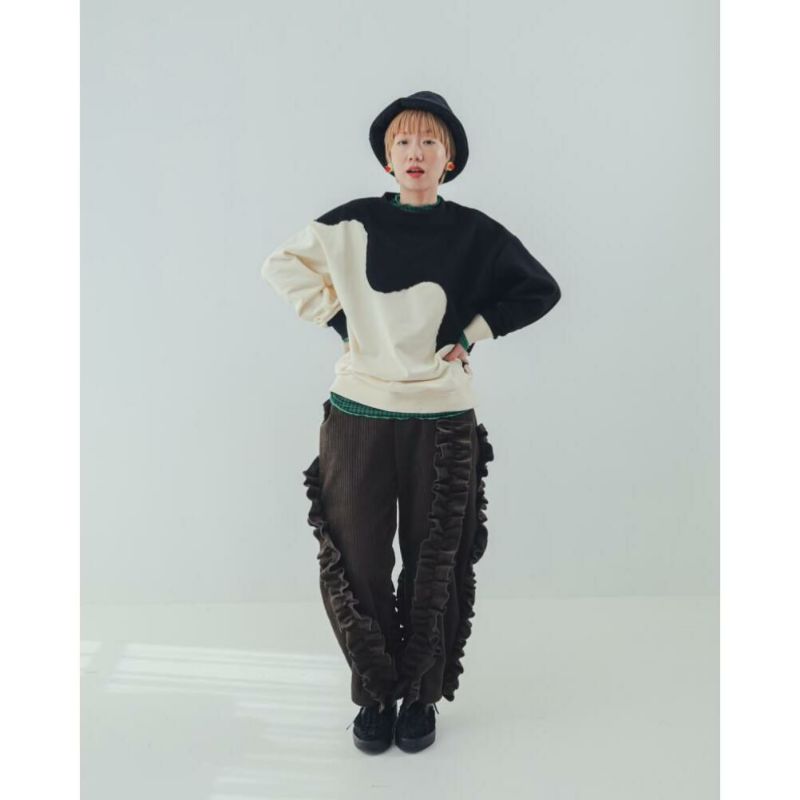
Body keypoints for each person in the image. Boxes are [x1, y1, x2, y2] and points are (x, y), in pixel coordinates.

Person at [261, 90, 561, 754]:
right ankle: (374, 694)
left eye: (429, 141)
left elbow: (540, 289)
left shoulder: (476, 234)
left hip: (442, 419)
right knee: (357, 559)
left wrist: (474, 331)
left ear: (449, 159)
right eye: (402, 142)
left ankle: (420, 697)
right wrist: (339, 319)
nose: (415, 152)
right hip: (357, 416)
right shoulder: (352, 223)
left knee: (436, 561)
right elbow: (281, 265)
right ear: (387, 159)